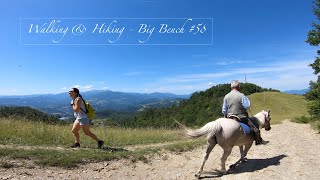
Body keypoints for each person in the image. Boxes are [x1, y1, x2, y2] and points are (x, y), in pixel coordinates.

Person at [222, 80, 265, 145]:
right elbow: (247, 105)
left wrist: (225, 116)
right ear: (238, 87)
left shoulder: (226, 96)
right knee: (256, 128)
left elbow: (224, 110)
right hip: (242, 118)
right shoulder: (241, 95)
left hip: (230, 118)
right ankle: (258, 141)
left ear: (231, 87)